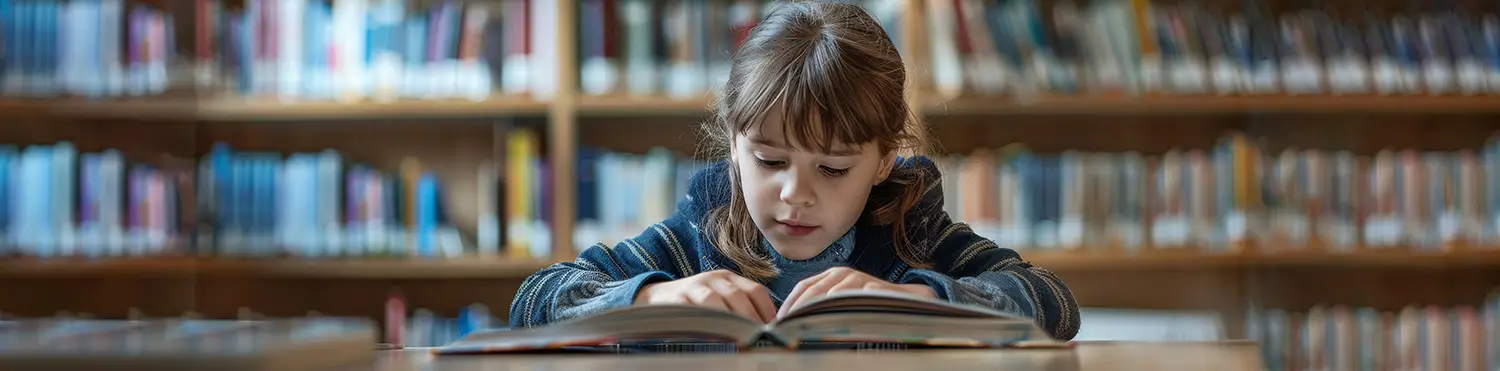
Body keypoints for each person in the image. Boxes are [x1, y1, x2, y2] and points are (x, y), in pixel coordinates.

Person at [509, 0, 1079, 341]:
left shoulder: (916, 237)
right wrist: (653, 298)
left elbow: (1053, 302)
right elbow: (535, 301)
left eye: (833, 169)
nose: (795, 194)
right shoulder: (693, 239)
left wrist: (921, 301)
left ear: (884, 161)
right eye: (770, 160)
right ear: (733, 145)